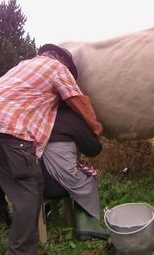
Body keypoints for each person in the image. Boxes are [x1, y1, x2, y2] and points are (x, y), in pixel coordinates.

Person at [0, 44, 103, 255]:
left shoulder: (24, 66)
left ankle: (1, 218)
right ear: (64, 63)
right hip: (4, 122)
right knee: (30, 186)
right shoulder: (57, 67)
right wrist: (95, 128)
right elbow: (78, 100)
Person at [41, 101, 109, 241]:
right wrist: (94, 135)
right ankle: (88, 225)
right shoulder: (70, 118)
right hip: (55, 187)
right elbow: (93, 149)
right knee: (90, 178)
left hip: (31, 183)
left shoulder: (40, 117)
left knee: (63, 170)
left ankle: (51, 212)